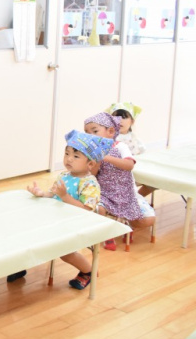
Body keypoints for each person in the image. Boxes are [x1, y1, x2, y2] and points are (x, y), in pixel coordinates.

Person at [22, 130, 114, 290]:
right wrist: (41, 193)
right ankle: (19, 265)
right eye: (67, 154)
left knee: (65, 252)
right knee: (29, 232)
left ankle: (88, 271)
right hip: (58, 219)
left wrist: (64, 196)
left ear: (90, 164)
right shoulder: (64, 175)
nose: (69, 159)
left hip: (76, 224)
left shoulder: (90, 183)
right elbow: (53, 193)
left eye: (76, 156)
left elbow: (86, 210)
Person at [84, 112, 155, 251]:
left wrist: (105, 157)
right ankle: (106, 233)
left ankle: (126, 224)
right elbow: (91, 175)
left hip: (126, 193)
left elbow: (129, 165)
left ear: (110, 132)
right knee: (98, 209)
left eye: (95, 131)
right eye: (87, 132)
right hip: (104, 193)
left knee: (148, 219)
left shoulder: (120, 146)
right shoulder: (91, 151)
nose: (90, 135)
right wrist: (96, 161)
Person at [106, 101, 154, 198]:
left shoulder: (136, 140)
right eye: (116, 117)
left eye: (124, 117)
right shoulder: (108, 139)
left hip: (136, 172)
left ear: (132, 121)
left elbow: (145, 156)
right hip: (116, 175)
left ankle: (136, 198)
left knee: (154, 181)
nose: (120, 120)